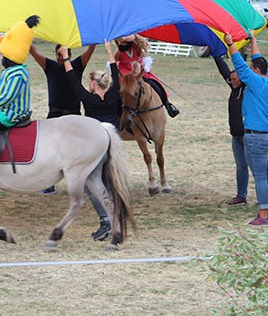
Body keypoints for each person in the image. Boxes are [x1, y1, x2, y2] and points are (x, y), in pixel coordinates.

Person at [59, 41, 119, 240]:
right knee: (108, 180)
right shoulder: (114, 94)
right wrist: (110, 50)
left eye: (89, 83)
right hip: (113, 143)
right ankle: (113, 216)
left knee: (91, 183)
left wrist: (66, 58)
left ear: (93, 85)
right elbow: (115, 70)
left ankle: (106, 220)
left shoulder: (88, 98)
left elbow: (72, 80)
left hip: (95, 145)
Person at [223, 32, 268, 226]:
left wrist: (231, 44)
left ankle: (263, 215)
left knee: (260, 177)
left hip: (256, 137)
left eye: (251, 69)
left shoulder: (255, 82)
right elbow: (257, 60)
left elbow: (239, 64)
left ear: (255, 71)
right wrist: (253, 40)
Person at [29, 41, 97, 194]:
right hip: (54, 114)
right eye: (58, 55)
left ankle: (84, 182)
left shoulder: (77, 65)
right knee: (49, 151)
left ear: (69, 55)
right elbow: (32, 51)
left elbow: (91, 48)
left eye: (63, 55)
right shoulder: (50, 66)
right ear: (55, 55)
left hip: (74, 114)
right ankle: (48, 183)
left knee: (80, 151)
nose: (60, 58)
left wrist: (93, 37)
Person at [0, 15, 40, 170]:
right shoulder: (10, 71)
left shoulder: (18, 74)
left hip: (14, 112)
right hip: (5, 109)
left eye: (2, 55)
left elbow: (7, 97)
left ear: (10, 57)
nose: (1, 58)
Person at [114, 34, 179, 118]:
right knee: (118, 90)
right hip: (125, 73)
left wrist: (145, 65)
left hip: (138, 70)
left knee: (155, 84)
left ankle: (167, 104)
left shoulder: (136, 46)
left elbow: (142, 56)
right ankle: (116, 112)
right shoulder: (118, 51)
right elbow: (113, 62)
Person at [213, 54, 249, 206]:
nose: (231, 81)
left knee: (255, 167)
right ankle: (241, 195)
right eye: (230, 80)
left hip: (248, 135)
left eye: (234, 79)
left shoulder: (248, 90)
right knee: (241, 166)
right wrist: (215, 54)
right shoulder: (234, 88)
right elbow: (224, 71)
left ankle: (264, 198)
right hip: (236, 135)